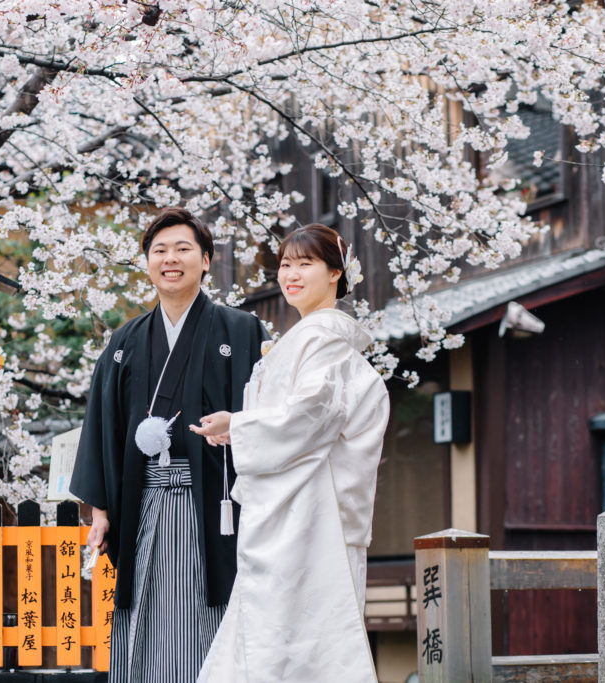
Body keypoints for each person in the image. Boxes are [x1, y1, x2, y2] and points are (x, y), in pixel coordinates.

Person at [69, 207, 268, 683]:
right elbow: (103, 425)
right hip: (144, 503)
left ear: (205, 260)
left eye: (183, 249)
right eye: (159, 251)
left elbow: (270, 417)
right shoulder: (126, 341)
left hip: (219, 506)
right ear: (147, 263)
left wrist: (239, 426)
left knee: (214, 610)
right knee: (147, 615)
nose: (170, 259)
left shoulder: (242, 331)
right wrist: (100, 511)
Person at [191, 223, 390, 683]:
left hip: (309, 516)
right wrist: (239, 429)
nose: (291, 274)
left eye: (306, 264)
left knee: (294, 641)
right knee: (283, 638)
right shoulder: (304, 340)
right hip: (293, 510)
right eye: (285, 264)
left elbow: (309, 418)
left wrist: (238, 425)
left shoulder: (323, 340)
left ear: (336, 273)